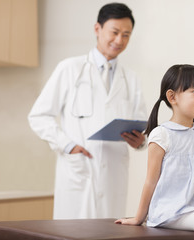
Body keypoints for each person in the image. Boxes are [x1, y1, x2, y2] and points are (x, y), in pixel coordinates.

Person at [28, 3, 147, 219]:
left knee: (110, 232)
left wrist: (141, 142)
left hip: (113, 174)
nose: (119, 40)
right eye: (114, 32)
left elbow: (140, 123)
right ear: (97, 29)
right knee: (72, 231)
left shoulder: (131, 79)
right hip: (79, 170)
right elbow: (38, 116)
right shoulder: (70, 69)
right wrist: (68, 145)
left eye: (126, 35)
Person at [115, 64, 194, 240]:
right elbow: (150, 181)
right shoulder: (162, 135)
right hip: (172, 209)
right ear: (172, 97)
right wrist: (139, 218)